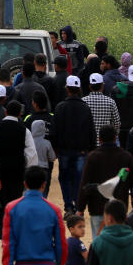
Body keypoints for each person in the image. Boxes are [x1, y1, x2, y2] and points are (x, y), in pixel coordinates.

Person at [2, 166, 67, 265]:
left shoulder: (12, 208)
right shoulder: (53, 209)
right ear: (44, 184)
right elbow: (61, 244)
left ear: (24, 183)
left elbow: (8, 244)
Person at [0, 100, 39, 239]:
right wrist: (27, 168)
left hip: (0, 169)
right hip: (17, 170)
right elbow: (32, 153)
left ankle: (2, 233)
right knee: (15, 201)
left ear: (6, 112)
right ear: (20, 114)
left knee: (1, 201)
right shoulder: (24, 130)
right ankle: (13, 233)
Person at [78, 124, 133, 239]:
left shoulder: (92, 157)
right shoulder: (126, 157)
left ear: (99, 138)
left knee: (99, 241)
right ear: (116, 137)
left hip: (97, 207)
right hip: (119, 207)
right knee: (119, 240)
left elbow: (84, 184)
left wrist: (80, 208)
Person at [54, 76, 96, 214]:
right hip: (81, 150)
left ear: (67, 89)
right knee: (79, 178)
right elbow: (91, 130)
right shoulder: (85, 108)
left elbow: (55, 130)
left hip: (64, 150)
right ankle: (78, 206)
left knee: (64, 177)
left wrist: (56, 148)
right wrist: (91, 149)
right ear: (79, 89)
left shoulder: (60, 107)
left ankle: (68, 206)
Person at [83, 73, 120, 147]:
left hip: (89, 143)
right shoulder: (110, 102)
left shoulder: (83, 102)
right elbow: (117, 123)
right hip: (106, 143)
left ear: (90, 86)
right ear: (102, 86)